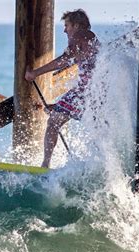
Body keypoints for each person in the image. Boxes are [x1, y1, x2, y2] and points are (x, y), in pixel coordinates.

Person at [25, 9, 100, 168]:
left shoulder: (80, 35)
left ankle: (45, 164)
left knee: (53, 122)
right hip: (95, 91)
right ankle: (97, 165)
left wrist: (35, 73)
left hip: (88, 91)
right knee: (59, 118)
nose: (65, 30)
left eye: (67, 25)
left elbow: (66, 59)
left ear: (77, 25)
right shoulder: (88, 38)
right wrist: (59, 106)